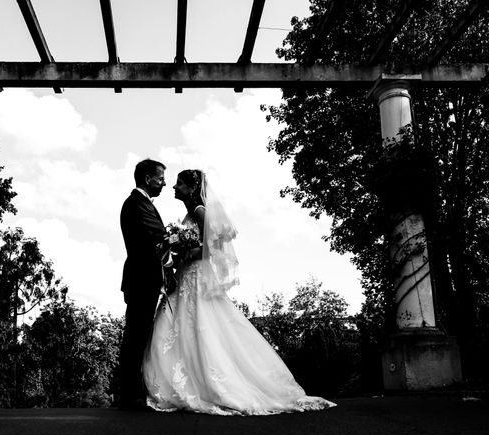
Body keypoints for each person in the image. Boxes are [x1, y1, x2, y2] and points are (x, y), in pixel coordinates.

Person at [143, 169, 336, 415]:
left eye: (179, 184)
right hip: (186, 276)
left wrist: (183, 249)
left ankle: (210, 386)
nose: (173, 187)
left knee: (200, 327)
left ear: (191, 188)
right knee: (182, 327)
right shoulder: (191, 213)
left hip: (196, 276)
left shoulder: (200, 212)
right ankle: (191, 384)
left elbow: (210, 249)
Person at [118, 158, 173, 410]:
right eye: (161, 178)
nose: (164, 183)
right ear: (148, 178)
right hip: (141, 280)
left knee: (139, 335)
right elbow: (157, 238)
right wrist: (180, 241)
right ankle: (130, 395)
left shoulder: (142, 204)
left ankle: (132, 393)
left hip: (146, 280)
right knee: (135, 336)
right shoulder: (136, 205)